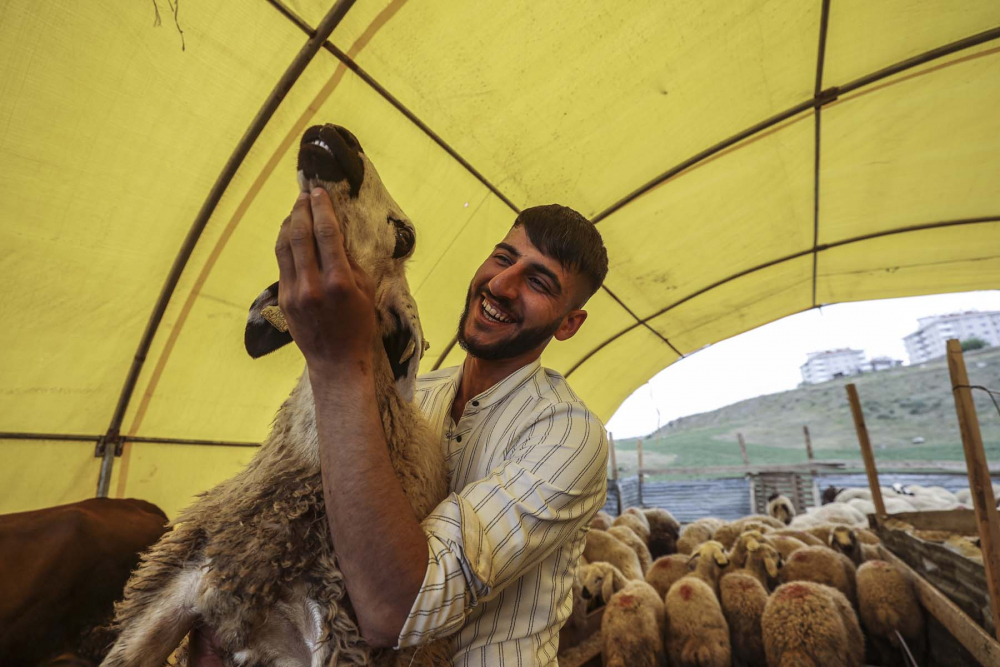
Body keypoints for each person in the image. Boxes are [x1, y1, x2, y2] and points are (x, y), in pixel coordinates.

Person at [192, 189, 609, 665]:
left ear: (569, 325)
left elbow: (397, 611)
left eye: (539, 282)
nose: (502, 286)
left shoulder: (567, 435)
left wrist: (340, 365)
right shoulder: (414, 396)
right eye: (503, 258)